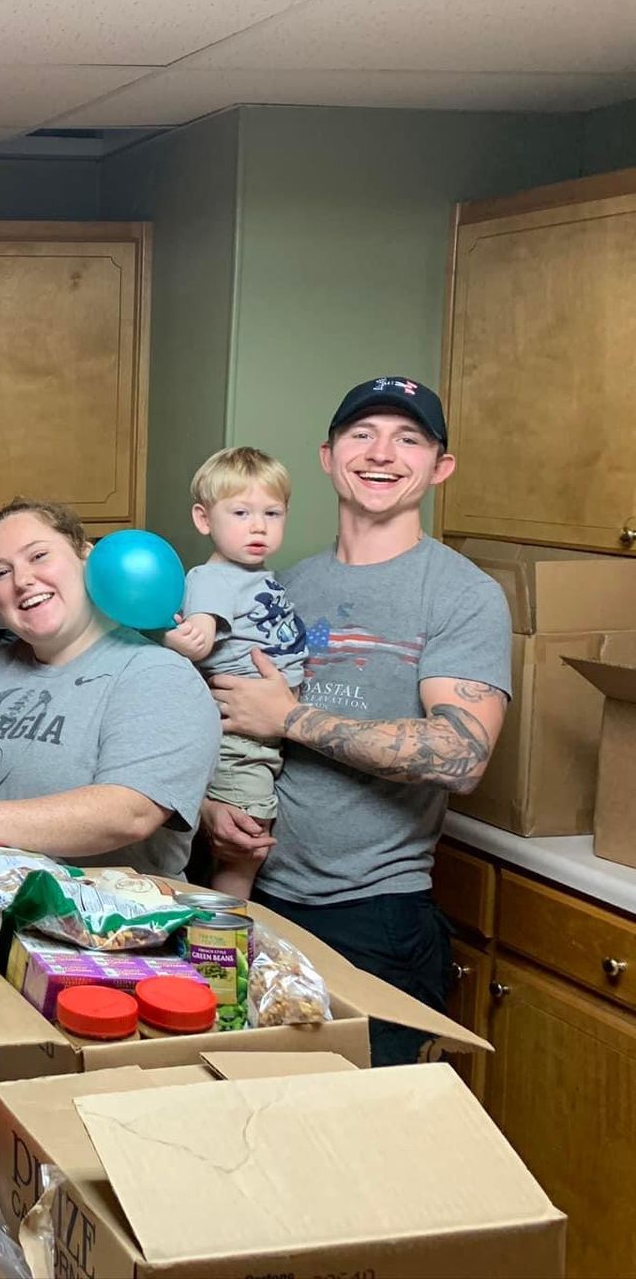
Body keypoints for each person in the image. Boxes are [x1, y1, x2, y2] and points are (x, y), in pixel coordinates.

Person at [210, 377, 510, 1065]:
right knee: (251, 1116)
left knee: (363, 1136)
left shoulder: (462, 593)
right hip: (255, 901)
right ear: (327, 456)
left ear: (441, 468)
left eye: (409, 439)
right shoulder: (282, 584)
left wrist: (292, 718)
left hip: (374, 918)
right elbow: (228, 715)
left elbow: (461, 756)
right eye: (362, 434)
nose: (383, 453)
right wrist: (208, 807)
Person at [0, 499, 219, 879]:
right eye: (0, 572)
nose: (22, 580)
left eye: (39, 556)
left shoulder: (158, 675)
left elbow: (129, 812)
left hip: (102, 927)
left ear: (86, 556)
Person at [162, 447, 308, 899]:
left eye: (272, 512)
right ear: (205, 520)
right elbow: (200, 634)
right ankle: (225, 936)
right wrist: (185, 636)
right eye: (241, 512)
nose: (259, 525)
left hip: (266, 732)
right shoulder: (213, 579)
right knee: (245, 848)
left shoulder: (259, 577)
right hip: (239, 740)